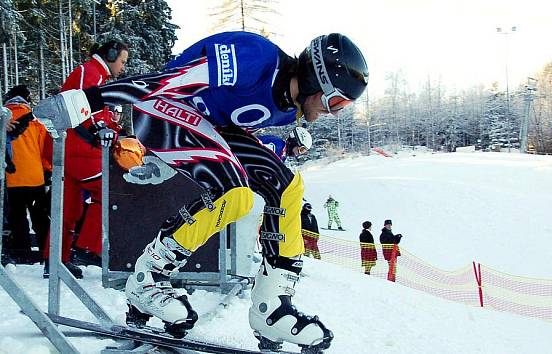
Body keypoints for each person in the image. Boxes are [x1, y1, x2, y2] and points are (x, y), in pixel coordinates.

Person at [32, 31, 368, 351]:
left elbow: (235, 134)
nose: (333, 111)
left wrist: (275, 152)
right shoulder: (257, 60)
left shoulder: (286, 105)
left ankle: (272, 306)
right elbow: (171, 81)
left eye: (343, 107)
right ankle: (148, 278)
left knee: (288, 186)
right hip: (163, 105)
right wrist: (87, 99)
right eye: (335, 101)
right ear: (315, 79)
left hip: (209, 125)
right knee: (233, 192)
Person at [42, 40, 128, 278]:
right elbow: (77, 103)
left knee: (68, 208)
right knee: (111, 191)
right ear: (110, 55)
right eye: (122, 61)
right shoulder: (89, 72)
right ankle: (88, 247)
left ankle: (56, 260)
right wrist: (99, 128)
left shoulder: (95, 75)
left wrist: (109, 125)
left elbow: (91, 110)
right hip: (77, 149)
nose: (122, 67)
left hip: (69, 149)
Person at [2, 85, 52, 265]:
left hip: (11, 179)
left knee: (17, 217)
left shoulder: (3, 120)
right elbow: (44, 150)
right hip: (34, 178)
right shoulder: (35, 121)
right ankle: (47, 250)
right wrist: (47, 170)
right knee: (39, 216)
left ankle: (21, 251)